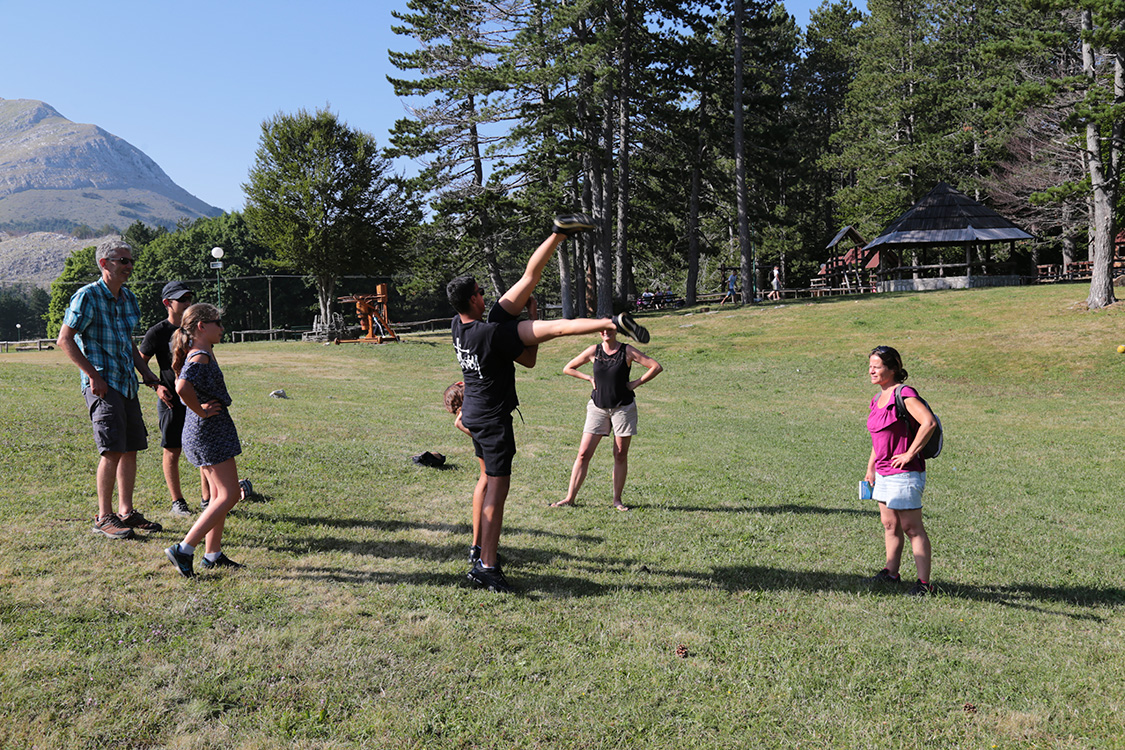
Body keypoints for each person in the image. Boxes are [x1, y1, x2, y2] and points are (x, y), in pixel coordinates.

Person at [448, 213, 650, 593]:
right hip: (492, 422)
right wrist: (606, 324)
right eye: (480, 291)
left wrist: (555, 240)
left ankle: (478, 550)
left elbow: (528, 282)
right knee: (497, 489)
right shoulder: (492, 334)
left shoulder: (461, 326)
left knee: (483, 481)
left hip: (474, 413)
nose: (485, 294)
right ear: (473, 298)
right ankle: (486, 567)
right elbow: (556, 329)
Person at [57, 238, 163, 540]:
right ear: (104, 264)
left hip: (126, 383)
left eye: (131, 261)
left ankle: (126, 512)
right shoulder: (87, 296)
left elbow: (126, 341)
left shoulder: (128, 299)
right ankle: (104, 517)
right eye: (123, 261)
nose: (130, 266)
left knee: (130, 448)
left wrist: (146, 373)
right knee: (111, 449)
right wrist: (93, 375)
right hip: (102, 384)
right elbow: (65, 339)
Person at [164, 303, 245, 577]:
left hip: (206, 430)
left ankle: (213, 555)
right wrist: (201, 410)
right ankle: (184, 549)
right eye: (217, 323)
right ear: (202, 326)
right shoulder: (200, 356)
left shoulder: (200, 351)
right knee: (230, 494)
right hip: (209, 430)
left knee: (218, 497)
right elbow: (182, 386)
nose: (222, 328)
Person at [551, 327, 662, 511]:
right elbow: (568, 368)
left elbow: (655, 366)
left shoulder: (627, 350)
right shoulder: (594, 351)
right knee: (583, 454)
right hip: (597, 408)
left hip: (623, 408)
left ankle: (617, 499)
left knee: (620, 454)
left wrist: (635, 383)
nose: (605, 332)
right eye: (602, 330)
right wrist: (588, 378)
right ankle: (569, 498)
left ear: (616, 330)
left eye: (609, 329)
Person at [864, 345, 938, 596]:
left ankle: (923, 584)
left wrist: (909, 453)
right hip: (883, 472)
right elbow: (879, 438)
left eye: (877, 366)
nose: (871, 371)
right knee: (889, 524)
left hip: (905, 473)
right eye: (870, 366)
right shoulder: (877, 399)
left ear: (893, 369)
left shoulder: (904, 393)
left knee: (911, 527)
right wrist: (871, 468)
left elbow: (928, 422)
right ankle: (891, 573)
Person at [139, 281, 212, 517]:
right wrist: (156, 386)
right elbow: (140, 362)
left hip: (197, 398)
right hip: (171, 399)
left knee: (204, 447)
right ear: (167, 303)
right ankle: (177, 501)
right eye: (183, 299)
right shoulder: (157, 332)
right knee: (172, 448)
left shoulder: (196, 328)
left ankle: (207, 499)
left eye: (189, 298)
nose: (188, 303)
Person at [444, 381, 488, 563]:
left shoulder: (469, 412)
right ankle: (477, 546)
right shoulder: (469, 414)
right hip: (485, 436)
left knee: (485, 480)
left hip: (480, 430)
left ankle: (477, 545)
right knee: (486, 481)